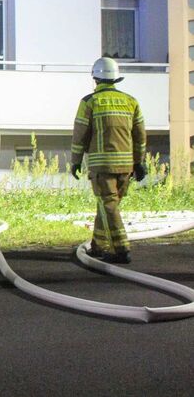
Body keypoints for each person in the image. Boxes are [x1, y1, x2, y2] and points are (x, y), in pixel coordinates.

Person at [71, 57, 146, 264]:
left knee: (108, 206)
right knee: (108, 205)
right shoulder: (131, 101)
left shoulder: (90, 102)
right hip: (125, 166)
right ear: (116, 78)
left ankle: (121, 248)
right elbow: (140, 135)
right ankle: (98, 245)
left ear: (95, 78)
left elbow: (80, 134)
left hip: (102, 165)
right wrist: (139, 162)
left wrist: (75, 160)